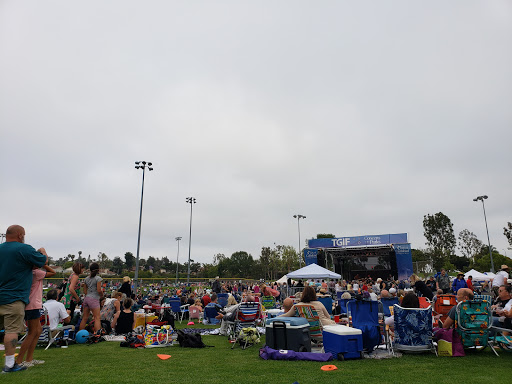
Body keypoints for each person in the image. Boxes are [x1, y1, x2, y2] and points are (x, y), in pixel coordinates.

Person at [0, 225, 47, 373]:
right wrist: (43, 252)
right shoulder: (23, 248)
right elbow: (41, 261)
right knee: (12, 331)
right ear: (20, 235)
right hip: (13, 297)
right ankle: (9, 365)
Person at [16, 263, 55, 368]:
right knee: (32, 333)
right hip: (33, 305)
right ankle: (19, 361)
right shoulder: (36, 272)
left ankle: (29, 359)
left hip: (32, 305)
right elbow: (53, 272)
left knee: (38, 331)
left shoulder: (28, 272)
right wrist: (44, 264)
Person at [79, 263, 104, 332]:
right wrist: (102, 295)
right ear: (98, 270)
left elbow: (84, 291)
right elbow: (99, 290)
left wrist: (88, 296)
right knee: (97, 318)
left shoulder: (86, 279)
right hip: (94, 299)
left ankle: (80, 333)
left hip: (87, 298)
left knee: (84, 318)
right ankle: (97, 334)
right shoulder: (98, 279)